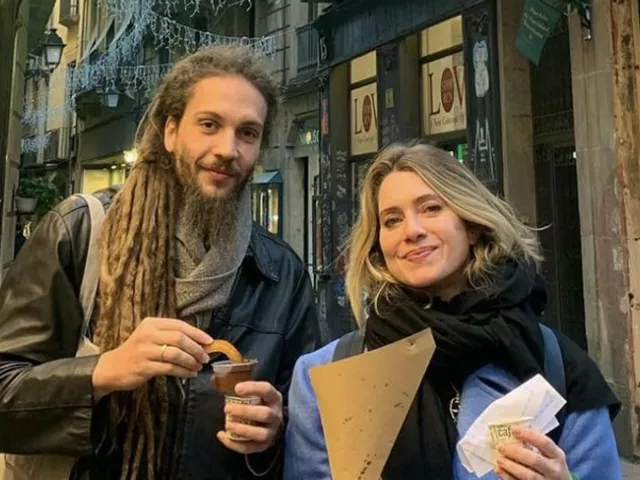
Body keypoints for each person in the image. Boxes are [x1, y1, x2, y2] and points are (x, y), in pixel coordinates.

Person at [0, 45, 319, 479]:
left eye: (247, 133)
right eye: (209, 125)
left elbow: (310, 438)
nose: (228, 149)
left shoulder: (282, 274)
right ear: (170, 131)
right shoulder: (80, 233)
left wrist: (274, 434)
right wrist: (103, 371)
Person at [284, 141, 621, 480]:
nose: (412, 231)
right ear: (378, 245)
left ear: (472, 225)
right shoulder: (326, 375)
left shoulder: (556, 366)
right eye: (392, 220)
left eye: (431, 208)